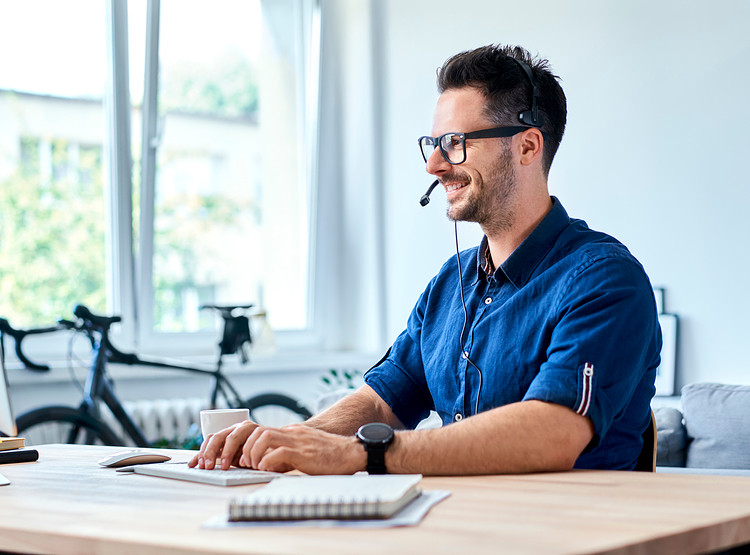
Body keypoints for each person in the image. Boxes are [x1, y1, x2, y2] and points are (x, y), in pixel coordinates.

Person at [191, 44, 662, 475]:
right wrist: (286, 442)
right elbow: (382, 403)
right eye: (432, 143)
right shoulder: (449, 284)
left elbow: (554, 432)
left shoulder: (604, 281)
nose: (434, 165)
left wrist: (364, 453)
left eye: (455, 143)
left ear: (527, 146)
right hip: (456, 526)